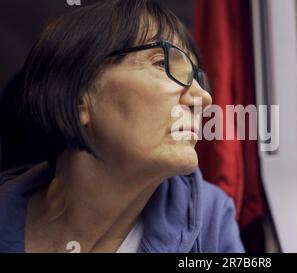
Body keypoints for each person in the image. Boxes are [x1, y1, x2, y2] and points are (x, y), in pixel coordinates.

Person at [0, 0, 244, 253]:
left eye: (196, 78)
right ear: (79, 98)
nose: (203, 98)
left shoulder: (211, 223)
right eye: (163, 63)